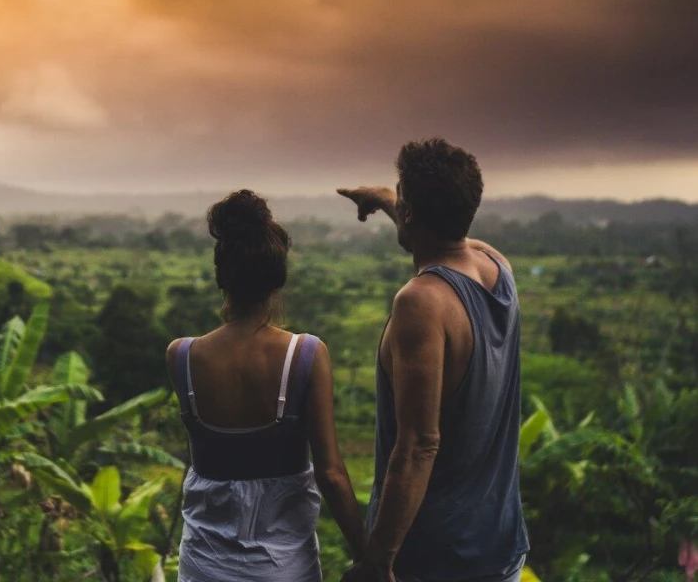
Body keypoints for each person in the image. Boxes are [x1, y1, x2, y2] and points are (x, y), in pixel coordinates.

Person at [337, 138, 530, 582]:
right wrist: (389, 199)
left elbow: (419, 445)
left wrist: (379, 560)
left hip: (436, 558)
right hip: (498, 548)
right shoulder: (497, 266)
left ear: (410, 213)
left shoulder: (421, 303)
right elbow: (449, 237)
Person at [169, 189, 367, 582]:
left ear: (220, 276)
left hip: (202, 566)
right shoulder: (305, 355)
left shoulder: (182, 357)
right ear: (278, 277)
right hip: (285, 568)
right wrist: (373, 557)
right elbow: (331, 473)